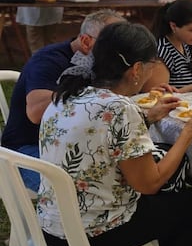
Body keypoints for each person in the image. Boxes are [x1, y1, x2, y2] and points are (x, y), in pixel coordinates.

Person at [39, 22, 192, 246]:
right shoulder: (120, 108)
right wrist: (188, 133)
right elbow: (150, 184)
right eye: (153, 64)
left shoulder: (66, 94)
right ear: (137, 69)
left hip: (54, 227)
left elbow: (101, 136)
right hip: (94, 234)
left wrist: (148, 118)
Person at [1, 10, 125, 191]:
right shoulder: (48, 60)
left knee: (128, 174)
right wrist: (83, 89)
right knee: (88, 190)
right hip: (27, 150)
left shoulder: (106, 63)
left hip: (77, 144)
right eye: (113, 46)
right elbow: (35, 113)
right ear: (86, 41)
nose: (119, 53)